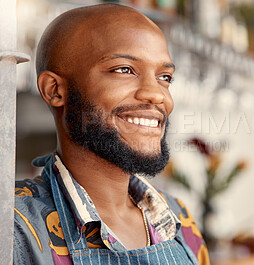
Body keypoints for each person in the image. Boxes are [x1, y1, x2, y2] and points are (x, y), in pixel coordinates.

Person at [13, 4, 210, 265]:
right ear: (55, 90)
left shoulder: (177, 216)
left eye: (165, 76)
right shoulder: (13, 225)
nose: (157, 94)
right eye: (124, 69)